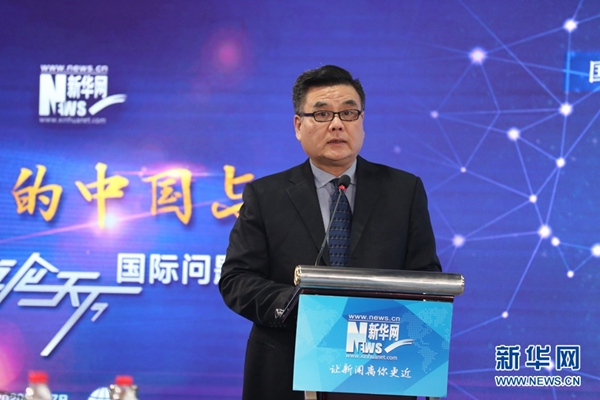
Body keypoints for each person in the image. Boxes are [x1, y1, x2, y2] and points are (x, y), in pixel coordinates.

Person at [219, 65, 442, 400]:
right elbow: (236, 279)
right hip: (287, 373)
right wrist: (301, 308)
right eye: (322, 114)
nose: (337, 124)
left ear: (362, 121)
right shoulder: (265, 196)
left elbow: (427, 278)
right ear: (298, 125)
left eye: (348, 113)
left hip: (380, 372)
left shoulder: (404, 191)